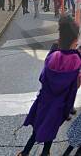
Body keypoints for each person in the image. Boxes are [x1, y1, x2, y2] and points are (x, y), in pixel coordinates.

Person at [18, 15, 81, 156]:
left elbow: (42, 78)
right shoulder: (76, 60)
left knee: (38, 127)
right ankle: (45, 152)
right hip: (59, 104)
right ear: (74, 41)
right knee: (51, 129)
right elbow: (72, 89)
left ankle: (25, 152)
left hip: (44, 100)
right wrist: (67, 110)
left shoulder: (53, 56)